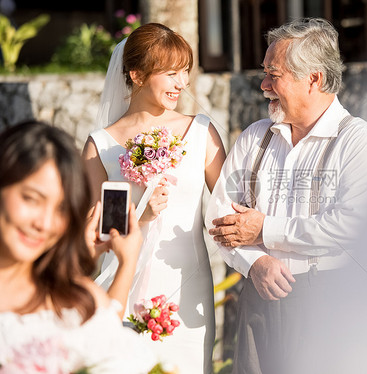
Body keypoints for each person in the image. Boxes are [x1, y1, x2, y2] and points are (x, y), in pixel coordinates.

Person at [205, 18, 367, 373]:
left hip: (329, 303)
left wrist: (265, 230)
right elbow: (219, 217)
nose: (263, 86)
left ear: (314, 79)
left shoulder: (358, 142)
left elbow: (353, 226)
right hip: (256, 300)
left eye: (273, 76)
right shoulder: (255, 136)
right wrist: (254, 263)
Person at [82, 23, 226, 373]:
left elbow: (230, 206)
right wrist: (140, 217)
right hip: (123, 284)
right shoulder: (100, 145)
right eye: (172, 73)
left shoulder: (201, 132)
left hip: (187, 285)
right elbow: (94, 235)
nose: (183, 83)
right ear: (137, 74)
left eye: (185, 72)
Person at [0, 120, 157, 373]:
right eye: (31, 199)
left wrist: (126, 263)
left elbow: (108, 345)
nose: (44, 223)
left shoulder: (75, 296)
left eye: (61, 209)